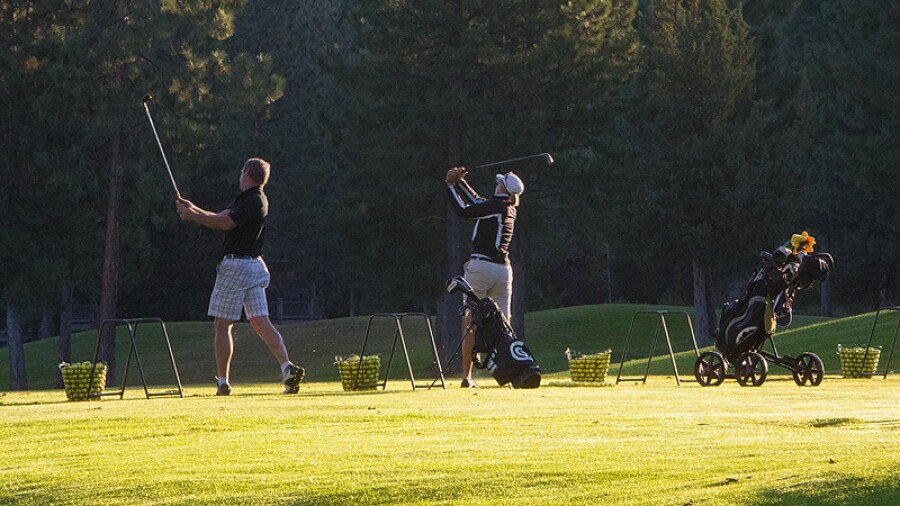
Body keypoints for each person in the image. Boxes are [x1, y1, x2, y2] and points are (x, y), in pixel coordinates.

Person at [176, 158, 304, 396]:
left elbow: (224, 223)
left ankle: (223, 382)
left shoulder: (253, 200)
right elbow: (222, 214)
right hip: (254, 266)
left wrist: (193, 218)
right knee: (260, 321)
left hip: (237, 266)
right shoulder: (252, 199)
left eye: (241, 171)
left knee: (222, 324)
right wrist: (193, 208)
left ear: (247, 173)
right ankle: (287, 368)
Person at [445, 166, 524, 388]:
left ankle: (467, 378)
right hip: (503, 271)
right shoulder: (507, 208)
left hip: (481, 268)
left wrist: (451, 186)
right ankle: (511, 375)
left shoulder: (496, 206)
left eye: (499, 182)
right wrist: (461, 183)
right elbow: (478, 201)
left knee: (471, 322)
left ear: (502, 188)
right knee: (503, 325)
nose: (496, 183)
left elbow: (464, 210)